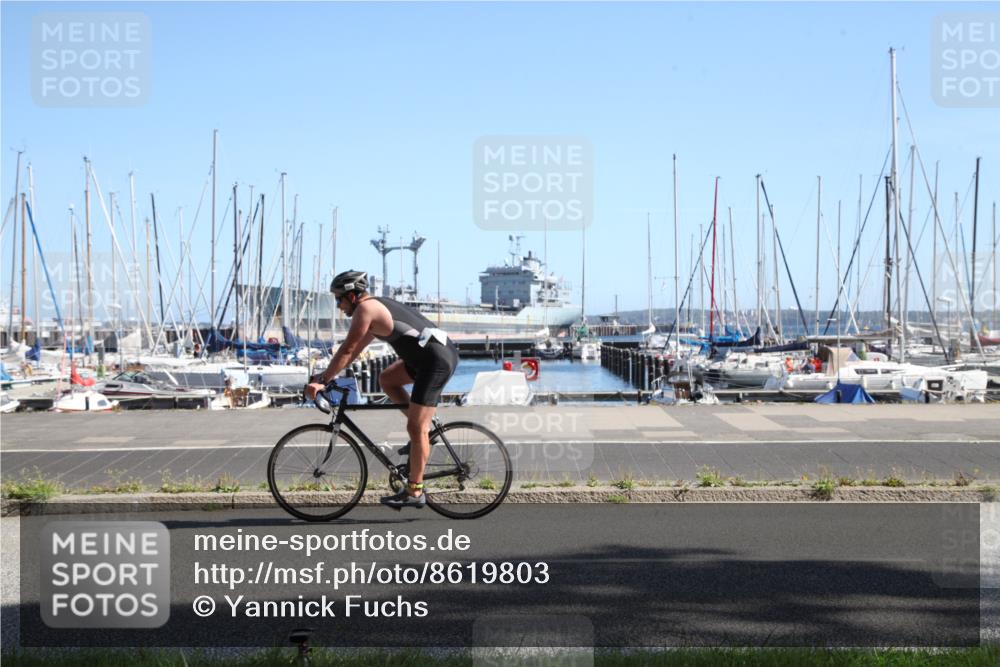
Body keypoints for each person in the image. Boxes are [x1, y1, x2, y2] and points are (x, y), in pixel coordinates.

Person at [304, 270, 459, 510]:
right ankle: (424, 435)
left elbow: (347, 349)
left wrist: (323, 380)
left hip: (435, 362)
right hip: (425, 358)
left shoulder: (366, 309)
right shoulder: (372, 308)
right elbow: (354, 352)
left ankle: (415, 491)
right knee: (387, 380)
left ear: (352, 296)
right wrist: (324, 376)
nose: (338, 306)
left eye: (339, 299)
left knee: (415, 427)